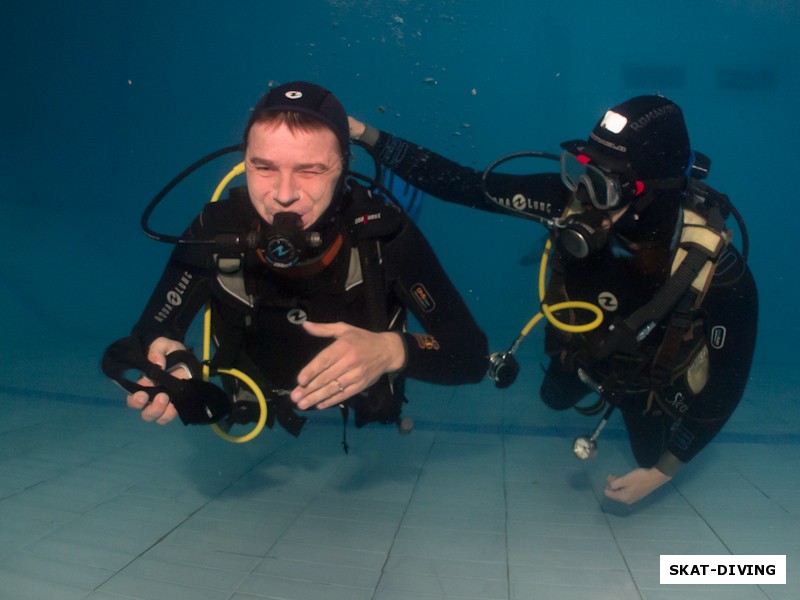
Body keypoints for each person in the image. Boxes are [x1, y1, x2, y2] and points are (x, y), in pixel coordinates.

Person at [349, 95, 758, 504]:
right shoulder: (568, 202)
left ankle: (643, 419)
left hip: (644, 381)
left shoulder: (715, 271)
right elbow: (462, 184)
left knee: (651, 454)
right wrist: (364, 135)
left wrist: (660, 474)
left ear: (655, 194)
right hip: (578, 351)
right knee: (553, 399)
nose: (584, 195)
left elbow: (726, 387)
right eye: (582, 172)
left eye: (604, 185)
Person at [103, 81, 488, 441]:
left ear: (343, 169)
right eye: (264, 167)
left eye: (311, 170)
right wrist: (171, 359)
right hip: (252, 397)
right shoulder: (217, 229)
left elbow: (470, 355)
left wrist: (392, 350)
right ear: (244, 162)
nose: (283, 195)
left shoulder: (381, 233)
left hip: (362, 401)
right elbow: (150, 332)